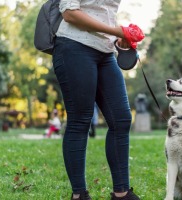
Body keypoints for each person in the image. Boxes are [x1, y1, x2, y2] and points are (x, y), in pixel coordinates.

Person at [53, 1, 144, 199]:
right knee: (80, 120)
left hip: (105, 52)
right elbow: (70, 14)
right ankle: (79, 194)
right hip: (74, 46)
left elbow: (104, 12)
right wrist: (116, 31)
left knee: (121, 119)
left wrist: (119, 38)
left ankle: (122, 193)